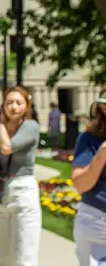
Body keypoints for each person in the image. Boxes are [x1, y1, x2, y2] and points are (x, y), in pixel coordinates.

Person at [0, 85, 41, 266]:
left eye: (19, 102)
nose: (14, 107)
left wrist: (2, 123)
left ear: (27, 106)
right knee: (1, 257)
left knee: (24, 257)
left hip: (23, 191)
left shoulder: (31, 127)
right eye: (9, 102)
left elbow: (7, 147)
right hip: (0, 192)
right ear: (3, 105)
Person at [71, 89, 106, 265]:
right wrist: (102, 154)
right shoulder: (89, 140)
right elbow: (80, 185)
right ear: (103, 107)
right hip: (98, 222)